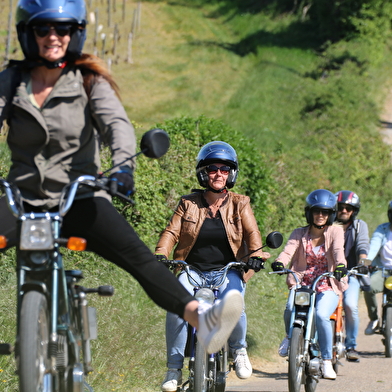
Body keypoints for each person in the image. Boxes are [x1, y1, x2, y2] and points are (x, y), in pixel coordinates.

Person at [0, 0, 244, 361]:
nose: (53, 36)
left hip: (79, 196)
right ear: (27, 33)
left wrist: (123, 170)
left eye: (62, 29)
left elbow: (117, 126)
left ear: (76, 33)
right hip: (20, 197)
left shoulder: (88, 80)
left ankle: (201, 319)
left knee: (139, 259)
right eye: (43, 29)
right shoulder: (12, 79)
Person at [155, 141, 270, 391]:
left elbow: (253, 234)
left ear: (232, 174)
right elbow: (171, 233)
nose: (219, 174)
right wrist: (161, 254)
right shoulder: (189, 203)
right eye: (213, 169)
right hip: (191, 270)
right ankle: (173, 368)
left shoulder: (240, 203)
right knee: (177, 308)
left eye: (225, 169)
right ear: (203, 173)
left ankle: (239, 351)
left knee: (234, 305)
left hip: (228, 270)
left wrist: (256, 257)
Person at [271, 189, 348, 380]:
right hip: (302, 283)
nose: (320, 215)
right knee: (290, 308)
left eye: (324, 212)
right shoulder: (299, 233)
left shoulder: (336, 231)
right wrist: (280, 262)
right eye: (316, 211)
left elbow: (338, 252)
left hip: (327, 283)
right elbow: (288, 251)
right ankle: (290, 338)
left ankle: (326, 361)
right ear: (309, 212)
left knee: (322, 315)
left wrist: (340, 266)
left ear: (330, 214)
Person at [335, 190, 369, 362]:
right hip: (329, 273)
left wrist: (363, 263)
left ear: (354, 211)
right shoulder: (328, 225)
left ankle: (351, 346)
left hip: (351, 274)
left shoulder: (359, 226)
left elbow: (363, 245)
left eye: (348, 208)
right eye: (341, 207)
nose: (344, 211)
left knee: (350, 306)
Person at [363, 201, 392, 335]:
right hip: (382, 270)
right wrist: (365, 263)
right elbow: (373, 247)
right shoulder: (383, 229)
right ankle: (374, 319)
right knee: (368, 287)